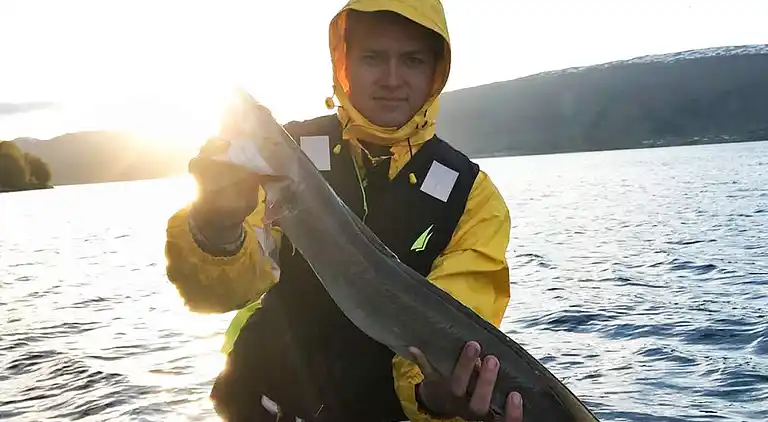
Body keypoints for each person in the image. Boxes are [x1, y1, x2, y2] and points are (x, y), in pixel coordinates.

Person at [165, 1, 521, 421]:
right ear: (343, 62)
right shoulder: (282, 158)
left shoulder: (473, 199)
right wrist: (215, 225)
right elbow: (215, 293)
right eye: (373, 57)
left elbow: (458, 327)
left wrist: (434, 395)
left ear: (435, 71)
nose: (391, 78)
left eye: (411, 60)